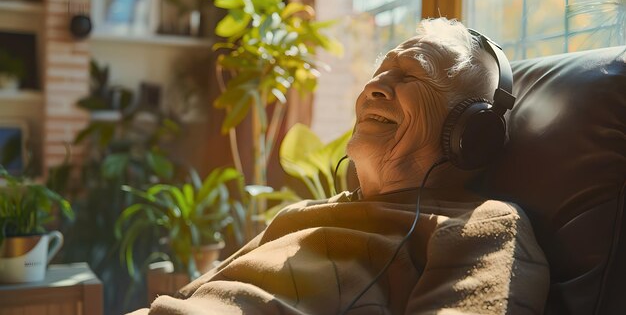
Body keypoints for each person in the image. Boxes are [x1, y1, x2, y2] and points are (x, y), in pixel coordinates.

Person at [131, 18, 549, 314]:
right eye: (380, 71)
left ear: (471, 133)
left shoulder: (481, 225)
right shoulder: (298, 215)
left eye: (410, 76)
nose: (373, 87)